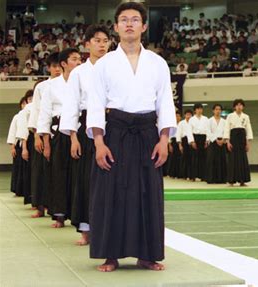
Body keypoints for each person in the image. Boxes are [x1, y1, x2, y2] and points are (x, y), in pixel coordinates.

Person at [86, 2, 177, 272]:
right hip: (116, 130)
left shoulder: (158, 63)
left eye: (135, 20)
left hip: (148, 132)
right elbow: (95, 103)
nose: (129, 24)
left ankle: (147, 254)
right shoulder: (104, 64)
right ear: (116, 27)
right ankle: (110, 254)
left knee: (148, 192)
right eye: (123, 19)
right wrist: (99, 142)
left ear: (144, 27)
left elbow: (165, 104)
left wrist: (164, 139)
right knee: (110, 192)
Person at [58, 25, 110, 246]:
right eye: (97, 40)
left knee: (112, 178)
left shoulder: (117, 67)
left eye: (105, 40)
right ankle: (86, 228)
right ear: (87, 44)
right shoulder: (79, 72)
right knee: (87, 178)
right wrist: (73, 137)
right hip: (86, 125)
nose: (101, 44)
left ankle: (109, 226)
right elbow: (71, 107)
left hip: (113, 124)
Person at [37, 48, 82, 228]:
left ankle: (78, 213)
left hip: (79, 130)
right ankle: (60, 213)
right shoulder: (51, 86)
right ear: (64, 63)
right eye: (74, 59)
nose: (79, 62)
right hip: (58, 133)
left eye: (80, 59)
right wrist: (46, 141)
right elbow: (45, 114)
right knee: (59, 174)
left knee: (78, 175)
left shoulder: (84, 81)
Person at [27, 53, 62, 218]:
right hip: (43, 132)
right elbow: (36, 111)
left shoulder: (69, 83)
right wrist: (36, 136)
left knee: (58, 172)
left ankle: (57, 207)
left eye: (60, 67)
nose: (57, 70)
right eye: (54, 67)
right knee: (41, 171)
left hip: (62, 132)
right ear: (48, 68)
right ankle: (40, 206)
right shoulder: (42, 87)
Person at [223, 99, 253, 186]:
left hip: (242, 139)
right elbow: (227, 128)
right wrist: (228, 141)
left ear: (243, 107)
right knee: (232, 159)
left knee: (242, 159)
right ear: (234, 107)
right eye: (237, 105)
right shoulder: (230, 116)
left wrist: (248, 142)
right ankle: (231, 181)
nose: (239, 106)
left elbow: (248, 129)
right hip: (233, 138)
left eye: (241, 105)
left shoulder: (246, 116)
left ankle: (242, 180)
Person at [16, 90, 34, 205]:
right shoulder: (26, 111)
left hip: (47, 137)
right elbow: (23, 132)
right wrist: (24, 148)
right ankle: (33, 199)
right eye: (30, 98)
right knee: (31, 172)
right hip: (30, 139)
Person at [7, 97, 27, 197]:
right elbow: (13, 132)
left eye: (25, 103)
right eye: (22, 103)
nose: (24, 105)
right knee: (18, 168)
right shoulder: (17, 116)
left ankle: (25, 190)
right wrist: (13, 147)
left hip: (28, 143)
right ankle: (17, 189)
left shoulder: (30, 114)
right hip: (19, 145)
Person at [187, 103, 210, 181]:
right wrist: (192, 141)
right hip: (195, 138)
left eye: (201, 109)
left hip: (203, 138)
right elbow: (189, 131)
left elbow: (208, 130)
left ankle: (203, 176)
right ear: (195, 110)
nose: (199, 110)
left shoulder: (206, 119)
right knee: (194, 158)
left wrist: (207, 140)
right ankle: (193, 176)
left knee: (203, 158)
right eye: (198, 109)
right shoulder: (191, 119)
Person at [206, 104, 227, 184]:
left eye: (219, 109)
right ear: (213, 111)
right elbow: (207, 131)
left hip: (222, 141)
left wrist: (223, 140)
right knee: (212, 160)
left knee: (222, 160)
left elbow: (226, 131)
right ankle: (211, 179)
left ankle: (222, 179)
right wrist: (215, 140)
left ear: (221, 111)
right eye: (216, 109)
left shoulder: (224, 121)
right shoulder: (209, 120)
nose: (218, 111)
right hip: (213, 142)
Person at [176, 109, 193, 180]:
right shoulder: (181, 123)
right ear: (185, 115)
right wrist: (180, 144)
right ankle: (184, 174)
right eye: (187, 114)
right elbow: (178, 134)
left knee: (191, 158)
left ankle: (191, 175)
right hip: (184, 140)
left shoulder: (193, 122)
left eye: (190, 115)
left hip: (192, 140)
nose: (188, 116)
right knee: (184, 158)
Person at [167, 111, 183, 178]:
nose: (177, 117)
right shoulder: (171, 125)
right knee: (173, 158)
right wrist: (169, 145)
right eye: (176, 116)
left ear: (181, 117)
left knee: (180, 158)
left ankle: (179, 174)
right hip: (173, 141)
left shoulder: (182, 124)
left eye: (178, 116)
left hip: (180, 141)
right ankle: (172, 173)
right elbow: (169, 135)